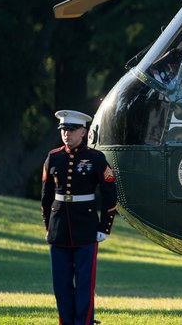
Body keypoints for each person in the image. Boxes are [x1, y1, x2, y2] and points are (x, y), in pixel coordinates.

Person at [41, 110, 117, 325]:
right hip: (59, 229)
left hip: (86, 228)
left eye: (72, 130)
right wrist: (49, 226)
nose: (67, 134)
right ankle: (65, 322)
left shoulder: (95, 158)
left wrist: (104, 227)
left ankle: (83, 322)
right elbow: (46, 197)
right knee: (61, 283)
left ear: (83, 132)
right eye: (64, 130)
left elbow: (110, 194)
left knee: (84, 283)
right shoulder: (53, 157)